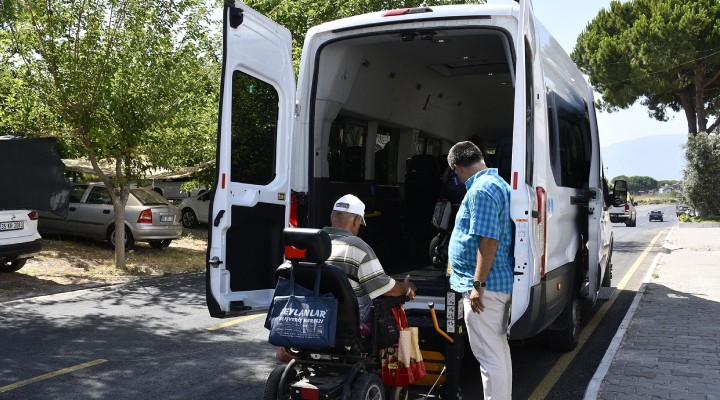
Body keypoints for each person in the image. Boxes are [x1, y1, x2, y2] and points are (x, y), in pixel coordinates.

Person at [447, 141, 514, 400]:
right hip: (497, 284)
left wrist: (478, 286)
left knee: (488, 358)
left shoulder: (481, 191)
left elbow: (488, 240)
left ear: (457, 168)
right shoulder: (499, 184)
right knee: (497, 353)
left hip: (486, 288)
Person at [322, 194, 416, 329]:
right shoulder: (356, 246)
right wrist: (407, 288)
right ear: (356, 220)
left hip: (313, 316)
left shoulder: (313, 242)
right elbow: (384, 288)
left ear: (332, 216)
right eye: (359, 224)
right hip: (346, 322)